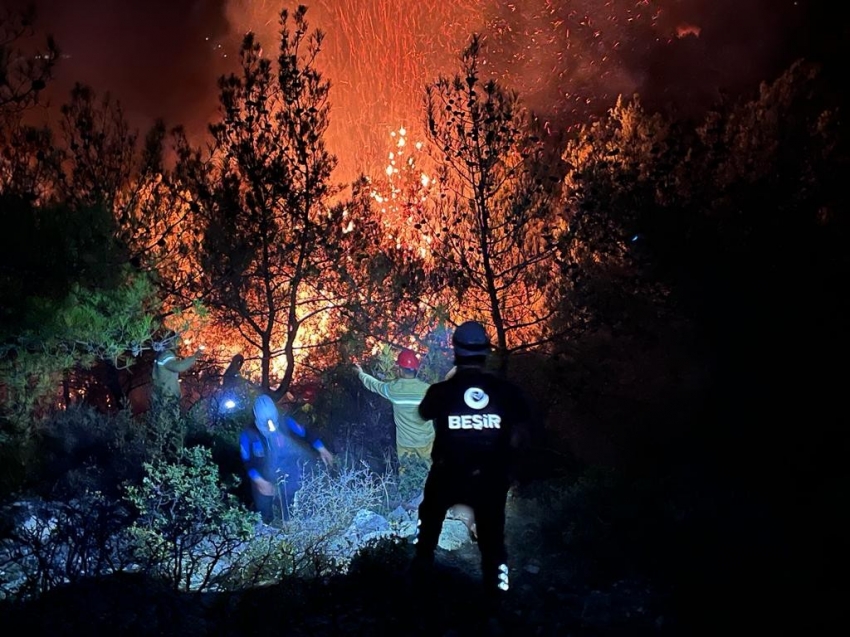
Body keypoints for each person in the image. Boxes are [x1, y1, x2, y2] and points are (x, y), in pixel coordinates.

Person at [410, 321, 531, 599]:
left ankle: (420, 574)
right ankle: (498, 594)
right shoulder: (505, 392)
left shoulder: (441, 392)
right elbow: (523, 431)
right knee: (493, 540)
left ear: (456, 351)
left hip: (448, 474)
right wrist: (509, 469)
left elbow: (424, 412)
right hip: (490, 478)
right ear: (486, 351)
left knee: (429, 519)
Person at [240, 393, 334, 523]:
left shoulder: (285, 422)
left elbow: (306, 433)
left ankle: (292, 524)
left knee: (291, 504)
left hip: (287, 471)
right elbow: (247, 463)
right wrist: (260, 481)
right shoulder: (248, 435)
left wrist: (322, 449)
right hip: (263, 477)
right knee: (263, 514)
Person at [353, 349, 435, 470]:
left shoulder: (393, 389)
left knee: (407, 475)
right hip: (426, 442)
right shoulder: (428, 390)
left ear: (400, 369)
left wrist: (361, 374)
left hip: (406, 444)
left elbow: (374, 384)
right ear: (416, 369)